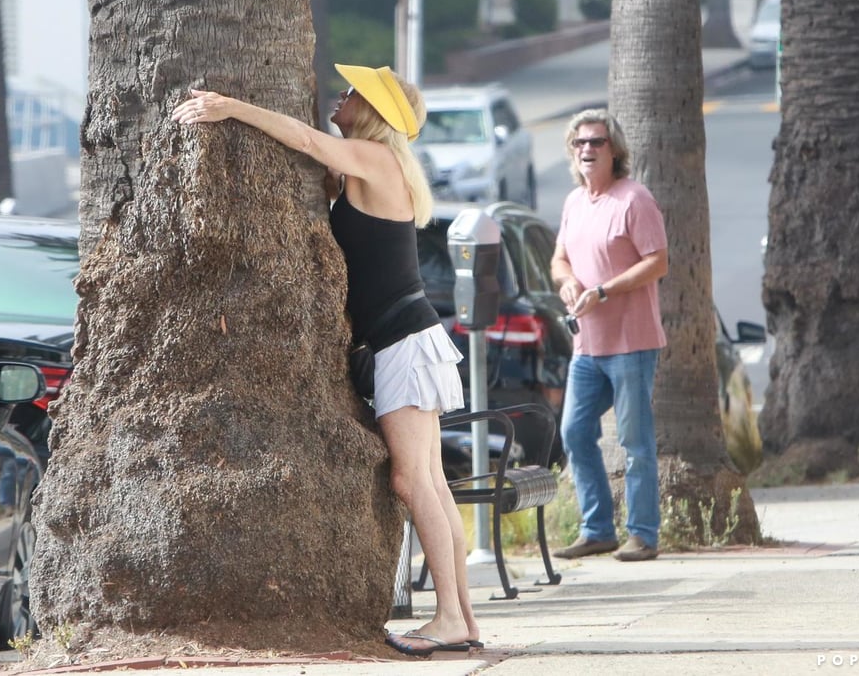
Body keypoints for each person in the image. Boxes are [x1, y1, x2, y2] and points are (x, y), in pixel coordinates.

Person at [171, 65, 479, 655]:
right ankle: (462, 616)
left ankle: (450, 618)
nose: (342, 95)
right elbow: (319, 157)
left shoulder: (376, 158)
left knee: (413, 481)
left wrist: (230, 106)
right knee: (431, 483)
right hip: (407, 342)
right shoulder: (365, 166)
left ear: (376, 113)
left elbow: (309, 141)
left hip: (403, 344)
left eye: (354, 92)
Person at [549, 108, 668, 563]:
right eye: (579, 143)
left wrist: (604, 289)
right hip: (588, 346)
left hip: (631, 344)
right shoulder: (575, 202)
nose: (586, 150)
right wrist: (568, 282)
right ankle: (598, 529)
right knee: (575, 433)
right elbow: (560, 258)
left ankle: (643, 534)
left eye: (596, 142)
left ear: (614, 150)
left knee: (635, 442)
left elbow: (658, 262)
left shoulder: (634, 199)